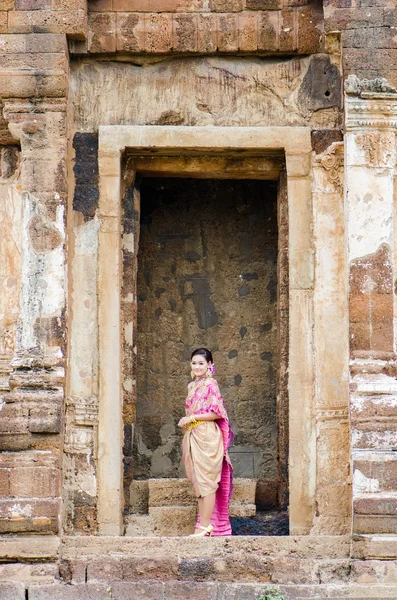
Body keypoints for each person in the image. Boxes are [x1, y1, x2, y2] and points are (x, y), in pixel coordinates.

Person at [178, 348, 234, 537]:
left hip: (208, 436)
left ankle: (206, 526)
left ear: (209, 365)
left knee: (208, 482)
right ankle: (203, 526)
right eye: (194, 363)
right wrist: (188, 421)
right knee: (199, 483)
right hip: (194, 434)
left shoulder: (211, 384)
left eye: (201, 363)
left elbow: (217, 413)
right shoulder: (191, 386)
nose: (197, 366)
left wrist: (192, 418)